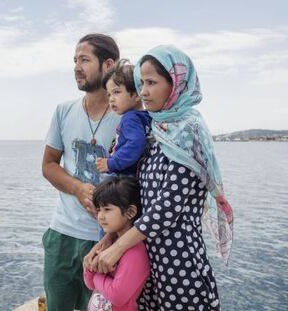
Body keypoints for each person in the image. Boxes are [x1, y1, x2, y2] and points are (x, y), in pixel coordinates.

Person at [85, 45, 234, 310]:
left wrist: (117, 249)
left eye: (151, 83)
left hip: (179, 264)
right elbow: (139, 200)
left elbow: (166, 209)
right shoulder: (157, 130)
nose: (143, 91)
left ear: (175, 84)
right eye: (142, 83)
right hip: (147, 259)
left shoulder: (188, 134)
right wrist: (109, 239)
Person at [41, 33, 121, 311]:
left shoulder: (127, 118)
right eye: (75, 60)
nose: (76, 66)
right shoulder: (63, 111)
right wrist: (78, 188)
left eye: (84, 59)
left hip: (106, 240)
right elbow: (49, 165)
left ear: (108, 64)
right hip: (61, 235)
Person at [83, 176, 150, 311]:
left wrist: (96, 274)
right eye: (99, 209)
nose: (100, 216)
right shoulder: (109, 244)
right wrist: (89, 267)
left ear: (130, 212)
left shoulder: (134, 252)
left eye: (107, 209)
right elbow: (90, 284)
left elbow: (117, 296)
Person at [95, 59, 151, 176]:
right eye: (109, 94)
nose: (111, 99)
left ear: (137, 94)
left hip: (127, 178)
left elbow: (135, 143)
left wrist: (111, 163)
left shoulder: (130, 118)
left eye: (116, 92)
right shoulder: (148, 116)